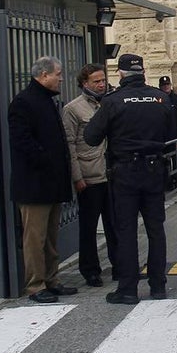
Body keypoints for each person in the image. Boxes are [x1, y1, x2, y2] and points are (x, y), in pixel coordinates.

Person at [84, 53, 175, 305]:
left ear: (121, 73)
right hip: (155, 169)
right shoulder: (161, 98)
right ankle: (158, 285)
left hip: (125, 172)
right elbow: (172, 132)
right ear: (143, 71)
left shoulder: (113, 101)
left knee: (126, 231)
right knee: (156, 229)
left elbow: (91, 137)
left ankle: (128, 289)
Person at [8, 56, 77, 304]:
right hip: (34, 184)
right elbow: (23, 141)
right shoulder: (23, 102)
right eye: (57, 74)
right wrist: (46, 161)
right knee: (34, 238)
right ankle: (35, 285)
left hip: (51, 182)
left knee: (50, 236)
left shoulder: (47, 101)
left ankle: (51, 279)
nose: (60, 78)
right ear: (44, 75)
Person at [62, 63, 117, 287]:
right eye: (96, 81)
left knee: (115, 223)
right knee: (89, 226)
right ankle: (90, 270)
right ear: (85, 83)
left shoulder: (111, 103)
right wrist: (77, 177)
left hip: (111, 172)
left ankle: (119, 265)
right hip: (89, 173)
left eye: (103, 80)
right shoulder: (73, 109)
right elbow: (70, 145)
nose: (101, 84)